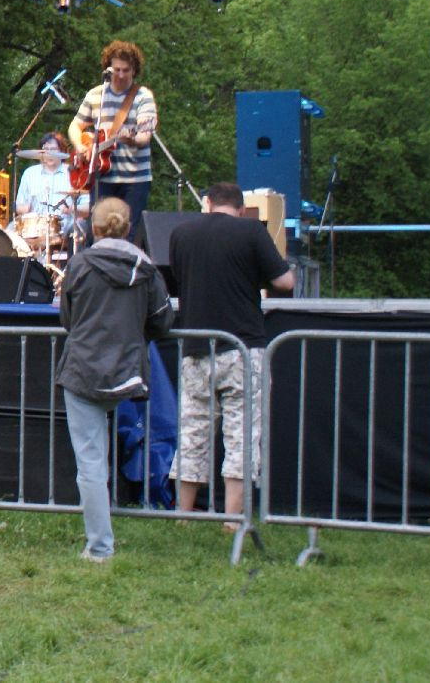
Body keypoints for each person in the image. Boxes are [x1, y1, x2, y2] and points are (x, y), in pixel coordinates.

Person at [168, 182, 294, 525]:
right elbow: (285, 283)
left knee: (192, 433)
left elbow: (179, 278)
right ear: (240, 208)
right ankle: (231, 520)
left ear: (207, 203)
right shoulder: (251, 231)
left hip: (195, 347)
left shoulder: (180, 234)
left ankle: (183, 516)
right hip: (242, 347)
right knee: (242, 436)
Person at [56, 197, 174, 563]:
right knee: (99, 458)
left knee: (90, 463)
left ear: (95, 228)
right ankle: (102, 541)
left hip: (83, 371)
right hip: (126, 371)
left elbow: (67, 319)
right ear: (129, 227)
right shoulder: (148, 269)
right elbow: (162, 320)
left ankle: (100, 547)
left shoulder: (78, 265)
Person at [67, 40, 158, 241]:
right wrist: (81, 147)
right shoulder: (95, 95)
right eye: (116, 70)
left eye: (126, 70)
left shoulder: (143, 96)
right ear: (108, 69)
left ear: (134, 70)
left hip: (134, 179)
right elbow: (75, 126)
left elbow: (144, 135)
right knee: (96, 234)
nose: (121, 75)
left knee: (129, 235)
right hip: (103, 178)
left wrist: (131, 140)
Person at [15, 131, 90, 245]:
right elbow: (19, 206)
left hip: (65, 229)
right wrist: (24, 209)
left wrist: (73, 209)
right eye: (46, 149)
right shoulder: (29, 174)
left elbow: (88, 207)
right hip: (35, 230)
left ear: (62, 152)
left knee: (81, 230)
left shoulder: (74, 173)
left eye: (53, 150)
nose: (49, 153)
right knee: (9, 231)